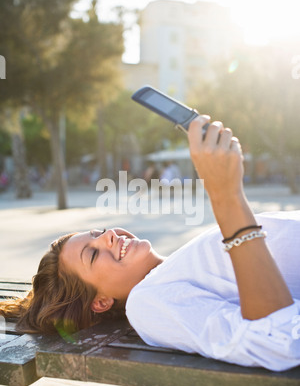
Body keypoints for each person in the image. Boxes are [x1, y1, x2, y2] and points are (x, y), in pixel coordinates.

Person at [1, 116, 299, 371]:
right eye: (92, 255)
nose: (108, 236)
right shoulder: (148, 304)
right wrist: (225, 196)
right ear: (101, 301)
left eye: (97, 233)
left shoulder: (173, 273)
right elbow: (277, 340)